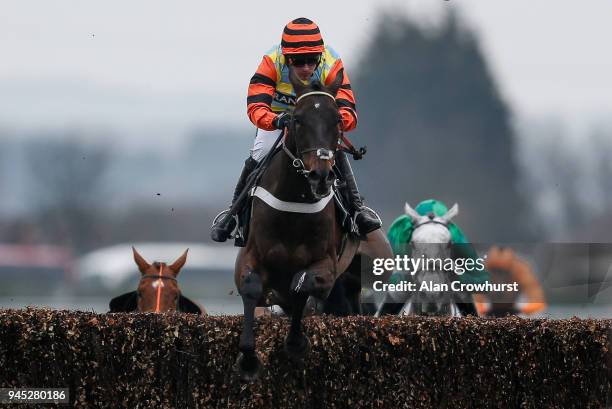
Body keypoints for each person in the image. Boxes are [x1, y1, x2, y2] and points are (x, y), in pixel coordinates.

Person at [210, 17, 381, 243]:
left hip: (316, 120)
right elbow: (255, 106)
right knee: (259, 153)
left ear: (321, 55)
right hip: (278, 117)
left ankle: (357, 210)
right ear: (286, 57)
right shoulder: (271, 62)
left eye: (312, 60)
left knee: (332, 147)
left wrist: (336, 121)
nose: (307, 68)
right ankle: (233, 215)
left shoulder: (332, 63)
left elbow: (347, 107)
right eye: (299, 62)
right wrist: (275, 120)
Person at [380, 199, 490, 316]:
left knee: (461, 291)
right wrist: (402, 277)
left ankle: (474, 331)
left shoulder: (457, 237)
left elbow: (484, 282)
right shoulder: (401, 235)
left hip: (447, 278)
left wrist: (459, 277)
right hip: (412, 276)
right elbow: (380, 274)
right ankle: (378, 328)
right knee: (398, 290)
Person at [473, 245, 547, 316]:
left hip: (515, 310)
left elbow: (536, 297)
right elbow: (475, 297)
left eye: (504, 271)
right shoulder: (483, 269)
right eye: (496, 270)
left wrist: (526, 309)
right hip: (489, 310)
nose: (500, 277)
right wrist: (479, 308)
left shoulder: (520, 269)